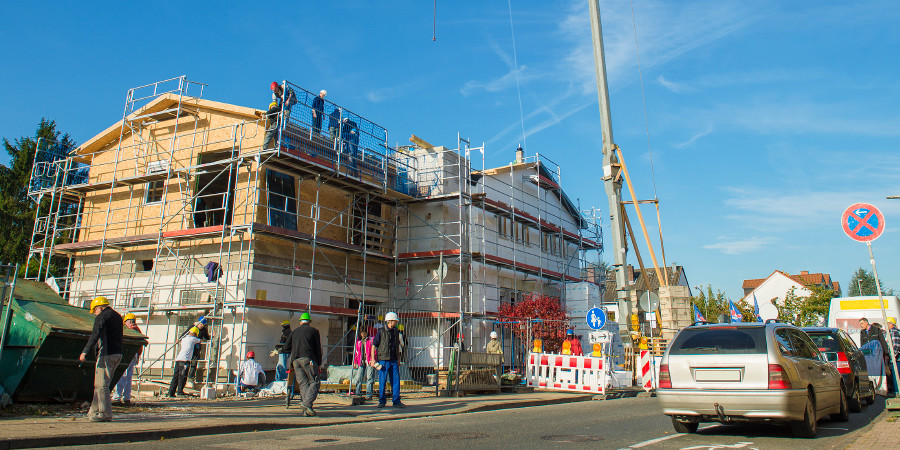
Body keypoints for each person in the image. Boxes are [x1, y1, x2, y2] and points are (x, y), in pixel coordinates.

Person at [79, 296, 123, 422]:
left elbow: (95, 334)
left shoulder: (102, 316)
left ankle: (105, 413)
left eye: (95, 310)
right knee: (99, 384)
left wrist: (85, 352)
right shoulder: (117, 316)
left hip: (106, 354)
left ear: (100, 307)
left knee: (102, 385)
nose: (94, 313)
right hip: (117, 354)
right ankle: (92, 412)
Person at [282, 312, 322, 417]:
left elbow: (285, 348)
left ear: (300, 322)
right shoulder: (314, 331)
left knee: (303, 384)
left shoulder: (294, 332)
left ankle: (306, 411)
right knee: (315, 382)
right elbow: (317, 349)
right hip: (308, 359)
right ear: (309, 322)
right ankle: (306, 404)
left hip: (295, 361)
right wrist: (319, 363)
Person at [373, 312, 404, 408]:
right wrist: (373, 359)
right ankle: (382, 401)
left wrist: (398, 359)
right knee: (382, 381)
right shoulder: (381, 332)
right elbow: (374, 345)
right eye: (395, 321)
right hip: (383, 360)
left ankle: (396, 401)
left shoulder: (396, 332)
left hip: (394, 360)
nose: (396, 322)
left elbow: (397, 346)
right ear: (390, 321)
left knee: (395, 381)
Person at [113, 313, 143, 405]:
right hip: (134, 355)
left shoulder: (127, 330)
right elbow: (140, 345)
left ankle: (117, 397)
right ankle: (127, 398)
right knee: (128, 377)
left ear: (126, 321)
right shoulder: (137, 330)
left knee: (121, 376)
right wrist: (138, 355)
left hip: (126, 354)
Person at [168, 327, 201, 397]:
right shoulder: (193, 339)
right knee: (182, 376)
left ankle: (171, 392)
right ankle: (180, 392)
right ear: (195, 334)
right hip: (185, 360)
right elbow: (200, 341)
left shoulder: (184, 339)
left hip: (178, 359)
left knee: (176, 376)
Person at [351, 328, 375, 398]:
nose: (363, 334)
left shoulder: (370, 340)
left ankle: (369, 394)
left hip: (369, 361)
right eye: (362, 333)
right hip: (361, 361)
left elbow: (374, 350)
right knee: (358, 378)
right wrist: (355, 362)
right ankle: (358, 393)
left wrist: (372, 359)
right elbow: (356, 353)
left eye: (364, 332)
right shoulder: (359, 342)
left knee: (369, 377)